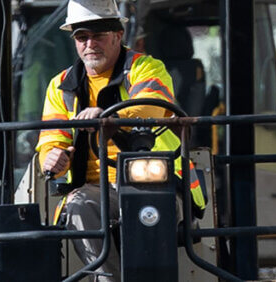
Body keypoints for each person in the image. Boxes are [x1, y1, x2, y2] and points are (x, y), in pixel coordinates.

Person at [33, 0, 180, 279]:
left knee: (149, 210)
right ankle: (108, 279)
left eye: (97, 35)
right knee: (77, 205)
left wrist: (107, 117)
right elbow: (52, 137)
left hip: (157, 182)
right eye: (81, 37)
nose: (90, 44)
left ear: (117, 36)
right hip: (94, 189)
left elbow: (151, 107)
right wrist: (52, 156)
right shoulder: (60, 85)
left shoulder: (146, 68)